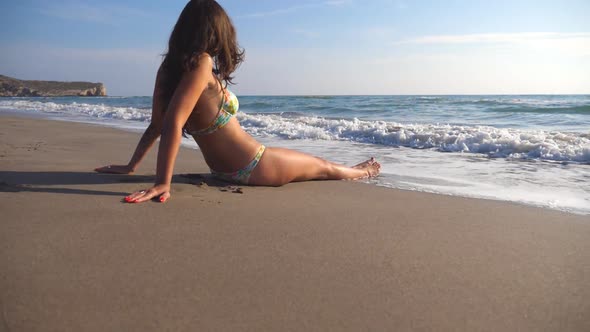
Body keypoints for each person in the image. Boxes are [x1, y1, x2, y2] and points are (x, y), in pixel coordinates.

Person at [95, 0, 380, 203]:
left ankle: (355, 170)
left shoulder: (169, 68)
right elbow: (171, 122)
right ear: (216, 32)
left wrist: (132, 165)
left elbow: (157, 124)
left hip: (224, 171)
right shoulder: (203, 63)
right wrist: (162, 183)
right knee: (322, 166)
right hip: (255, 165)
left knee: (319, 166)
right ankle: (362, 172)